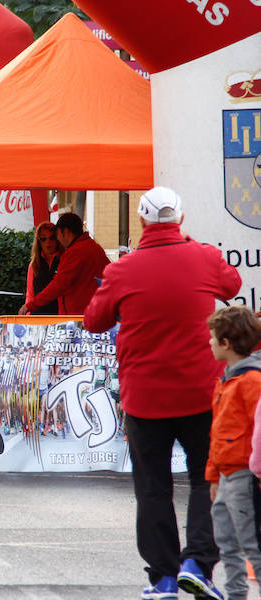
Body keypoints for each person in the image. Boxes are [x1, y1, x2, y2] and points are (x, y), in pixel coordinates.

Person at [83, 186, 241, 600]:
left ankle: (165, 577)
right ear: (181, 220)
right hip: (201, 392)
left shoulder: (122, 270)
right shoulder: (203, 257)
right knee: (208, 480)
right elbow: (232, 282)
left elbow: (93, 320)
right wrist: (189, 246)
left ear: (140, 222)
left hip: (145, 397)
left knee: (152, 487)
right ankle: (198, 563)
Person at [205, 306, 261, 600]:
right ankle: (235, 594)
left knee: (252, 542)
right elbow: (217, 432)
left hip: (244, 474)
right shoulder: (227, 379)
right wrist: (214, 476)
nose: (210, 343)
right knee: (226, 540)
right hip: (226, 475)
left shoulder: (251, 381)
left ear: (226, 343)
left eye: (213, 339)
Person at [19, 212, 109, 315]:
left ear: (65, 231)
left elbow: (58, 285)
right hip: (96, 313)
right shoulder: (95, 248)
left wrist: (30, 306)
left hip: (78, 318)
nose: (57, 239)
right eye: (43, 239)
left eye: (55, 235)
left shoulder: (74, 252)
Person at [23, 222, 62, 315]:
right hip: (38, 318)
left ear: (57, 239)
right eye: (43, 239)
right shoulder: (34, 265)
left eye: (52, 237)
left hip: (60, 318)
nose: (48, 242)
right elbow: (30, 295)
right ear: (39, 242)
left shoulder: (64, 261)